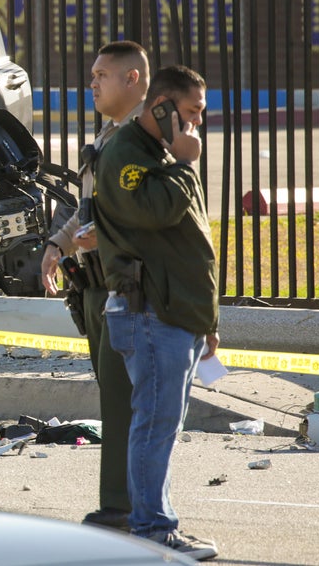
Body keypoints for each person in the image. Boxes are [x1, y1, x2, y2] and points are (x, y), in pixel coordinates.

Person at [92, 64, 220, 561]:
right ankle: (151, 531)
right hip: (149, 313)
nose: (196, 125)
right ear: (161, 106)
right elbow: (155, 213)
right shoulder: (127, 153)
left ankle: (158, 525)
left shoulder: (161, 154)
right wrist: (185, 164)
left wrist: (207, 321)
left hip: (176, 312)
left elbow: (190, 243)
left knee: (162, 426)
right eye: (191, 113)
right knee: (154, 425)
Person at [40, 40, 148, 532]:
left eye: (102, 75)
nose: (92, 84)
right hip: (96, 289)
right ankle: (119, 504)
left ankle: (124, 508)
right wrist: (58, 245)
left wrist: (97, 237)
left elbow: (147, 214)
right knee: (113, 401)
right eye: (92, 75)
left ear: (133, 79)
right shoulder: (107, 136)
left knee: (128, 406)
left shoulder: (147, 138)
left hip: (130, 290)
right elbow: (89, 209)